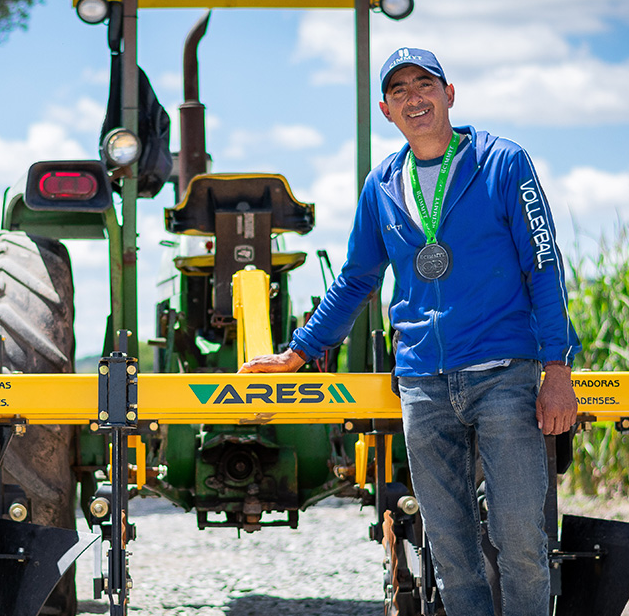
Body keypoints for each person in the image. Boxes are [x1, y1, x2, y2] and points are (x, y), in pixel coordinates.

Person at [240, 47, 580, 616]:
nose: (414, 97)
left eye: (425, 84)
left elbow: (542, 263)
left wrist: (556, 368)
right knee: (449, 546)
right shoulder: (383, 185)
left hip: (503, 376)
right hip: (422, 384)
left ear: (450, 94)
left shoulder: (503, 163)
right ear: (386, 110)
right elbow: (356, 280)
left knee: (521, 541)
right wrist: (297, 354)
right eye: (399, 91)